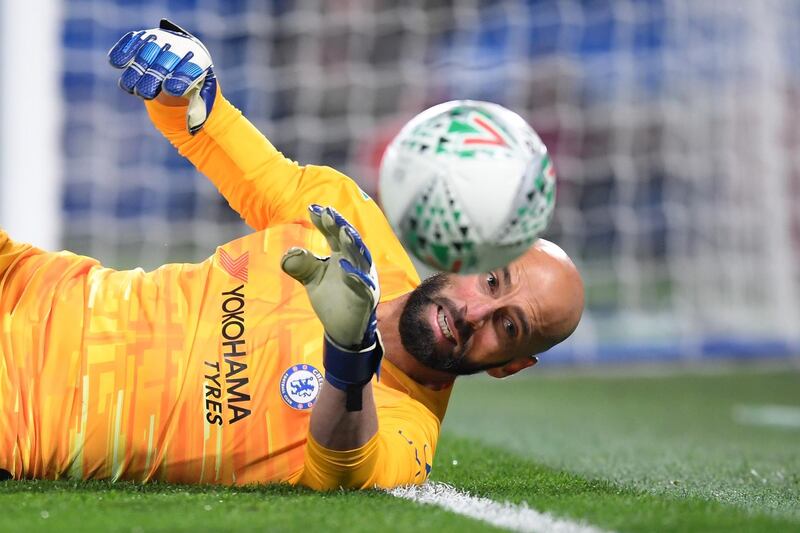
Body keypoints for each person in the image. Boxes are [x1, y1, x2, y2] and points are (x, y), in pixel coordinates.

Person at [0, 21, 584, 490]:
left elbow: (343, 466)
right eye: (492, 282)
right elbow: (211, 133)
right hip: (22, 282)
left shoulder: (404, 437)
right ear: (465, 255)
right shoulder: (349, 221)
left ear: (509, 364)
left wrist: (349, 352)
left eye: (508, 326)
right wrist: (185, 76)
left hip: (18, 419)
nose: (475, 314)